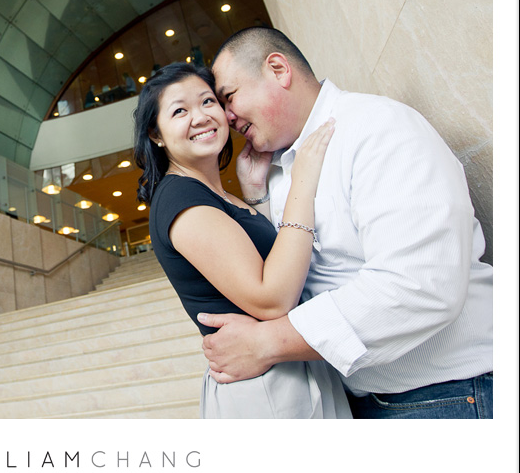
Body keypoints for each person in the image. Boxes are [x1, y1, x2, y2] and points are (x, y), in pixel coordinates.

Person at [204, 26, 493, 418]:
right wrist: (256, 194)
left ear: (277, 69)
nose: (227, 117)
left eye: (229, 97)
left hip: (447, 393)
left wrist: (266, 343)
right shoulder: (276, 169)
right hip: (364, 399)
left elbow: (420, 284)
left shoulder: (376, 127)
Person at [133, 61, 351, 418]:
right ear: (156, 134)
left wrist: (253, 195)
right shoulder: (180, 200)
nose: (200, 116)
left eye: (207, 101)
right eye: (179, 111)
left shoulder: (216, 193)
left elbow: (269, 260)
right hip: (264, 389)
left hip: (287, 368)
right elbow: (272, 299)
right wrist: (303, 180)